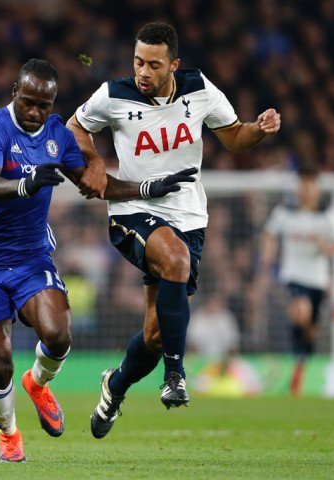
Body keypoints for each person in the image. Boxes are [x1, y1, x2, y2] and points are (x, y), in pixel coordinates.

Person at [0, 58, 195, 462]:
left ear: (52, 103)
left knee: (59, 336)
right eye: (28, 101)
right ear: (15, 92)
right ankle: (10, 436)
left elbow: (96, 185)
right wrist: (24, 184)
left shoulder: (55, 134)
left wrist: (149, 187)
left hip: (32, 257)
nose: (34, 112)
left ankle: (38, 384)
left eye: (43, 105)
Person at [66, 22, 281, 439]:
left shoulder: (199, 88)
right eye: (138, 62)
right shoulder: (113, 95)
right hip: (133, 208)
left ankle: (115, 387)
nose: (143, 72)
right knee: (175, 257)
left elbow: (234, 137)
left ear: (174, 66)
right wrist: (93, 161)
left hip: (189, 216)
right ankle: (176, 376)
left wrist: (259, 129)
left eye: (153, 64)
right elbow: (76, 126)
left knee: (156, 333)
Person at [260, 167, 334, 395]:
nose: (306, 190)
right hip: (293, 275)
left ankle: (302, 363)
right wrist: (268, 253)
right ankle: (298, 362)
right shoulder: (285, 212)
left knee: (311, 328)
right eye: (303, 185)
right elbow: (269, 233)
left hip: (317, 278)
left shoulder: (328, 215)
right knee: (301, 312)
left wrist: (328, 248)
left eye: (310, 185)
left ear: (317, 188)